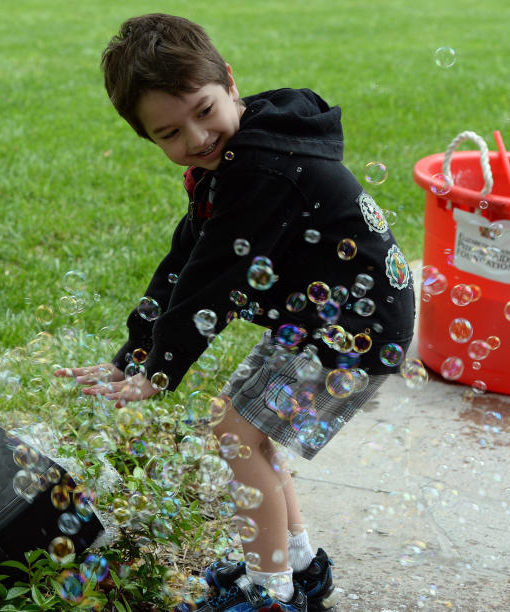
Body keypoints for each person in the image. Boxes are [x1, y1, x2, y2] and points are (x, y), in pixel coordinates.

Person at [55, 13, 415, 612]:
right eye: (170, 133)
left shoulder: (261, 168)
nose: (195, 139)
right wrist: (138, 352)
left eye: (203, 110)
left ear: (228, 81)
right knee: (247, 430)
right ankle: (297, 567)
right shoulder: (236, 158)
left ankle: (270, 594)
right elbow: (187, 254)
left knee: (236, 433)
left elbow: (215, 277)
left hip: (358, 326)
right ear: (148, 138)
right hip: (333, 317)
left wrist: (162, 368)